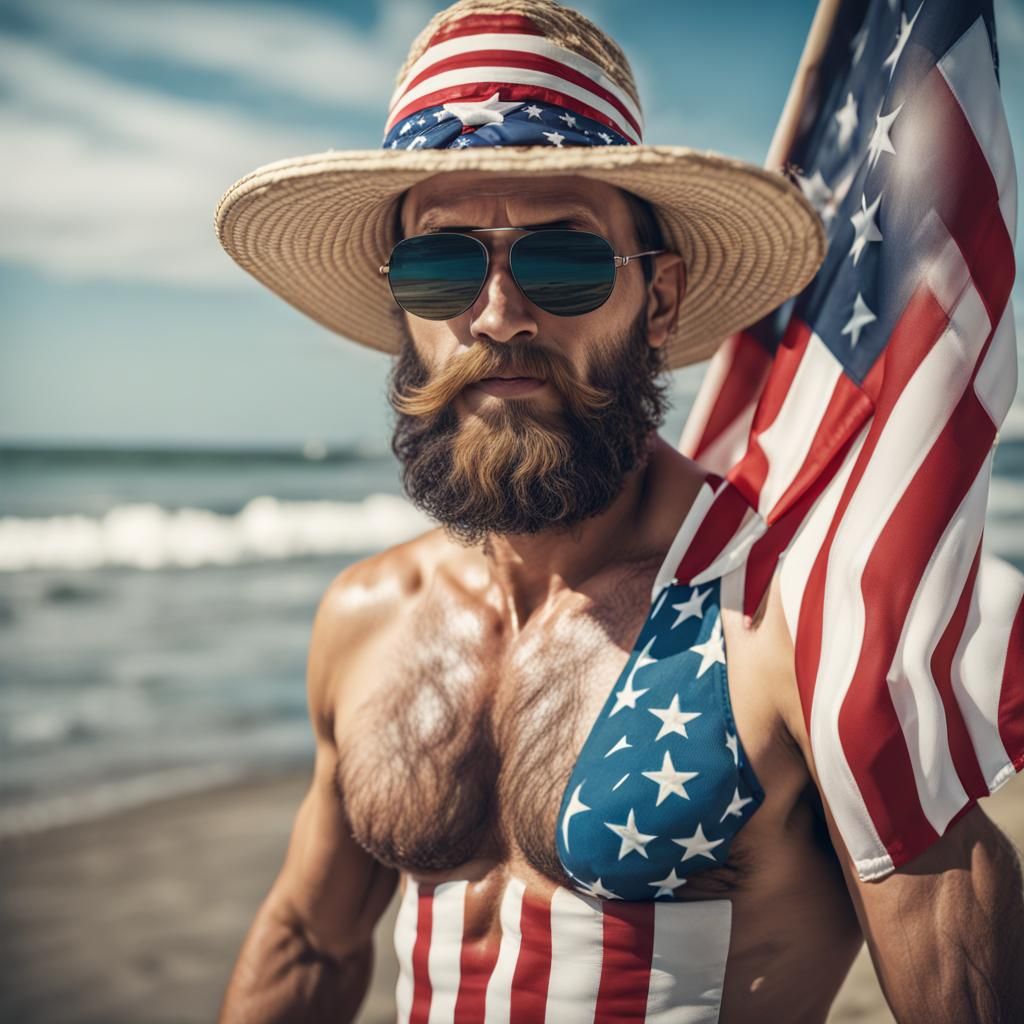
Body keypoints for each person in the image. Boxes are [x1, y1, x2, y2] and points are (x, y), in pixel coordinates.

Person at [215, 1, 1024, 1021]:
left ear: (663, 297)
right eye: (440, 265)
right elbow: (308, 942)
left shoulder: (792, 623)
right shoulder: (366, 616)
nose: (498, 315)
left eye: (562, 260)